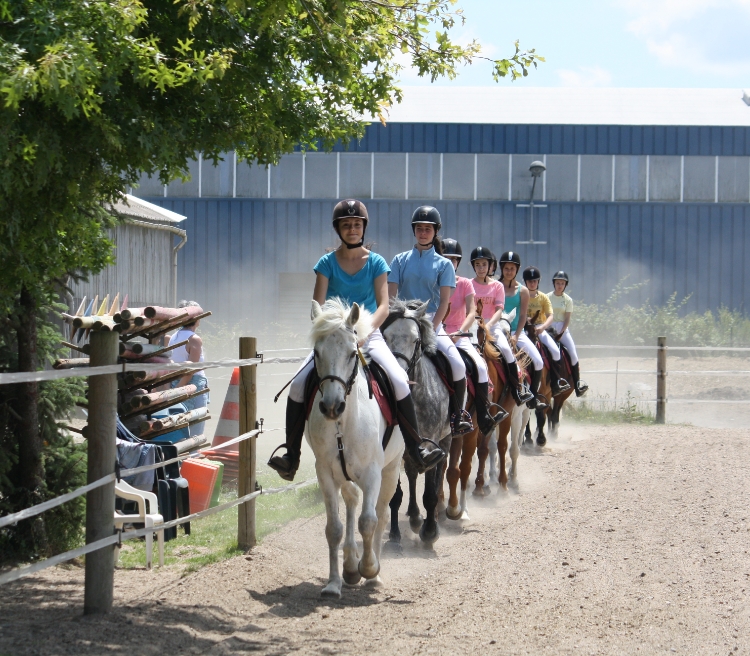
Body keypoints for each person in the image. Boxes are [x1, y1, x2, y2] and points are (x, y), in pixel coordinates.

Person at [268, 199, 446, 482]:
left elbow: (384, 306)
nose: (352, 228)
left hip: (369, 334)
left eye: (357, 224)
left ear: (364, 227)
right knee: (299, 384)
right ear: (338, 229)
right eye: (346, 224)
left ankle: (416, 448)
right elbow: (318, 304)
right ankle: (291, 454)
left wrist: (365, 332)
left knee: (400, 381)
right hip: (335, 338)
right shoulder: (326, 263)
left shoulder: (376, 263)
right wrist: (330, 331)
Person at [387, 206, 473, 436]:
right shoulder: (399, 260)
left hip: (431, 322)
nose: (423, 232)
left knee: (458, 365)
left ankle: (457, 416)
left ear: (435, 232)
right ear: (414, 230)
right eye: (419, 228)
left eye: (428, 229)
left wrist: (432, 330)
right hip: (402, 323)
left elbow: (445, 302)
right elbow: (391, 297)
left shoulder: (444, 264)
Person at [441, 239, 508, 434]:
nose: (450, 262)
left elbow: (471, 312)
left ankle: (483, 415)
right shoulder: (431, 281)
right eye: (446, 258)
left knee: (480, 366)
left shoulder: (464, 284)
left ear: (458, 262)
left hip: (460, 333)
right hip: (437, 332)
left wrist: (459, 331)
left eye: (454, 259)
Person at [470, 247, 532, 406]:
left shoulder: (497, 286)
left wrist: (488, 325)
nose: (481, 268)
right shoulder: (468, 284)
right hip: (473, 325)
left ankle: (516, 390)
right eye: (478, 265)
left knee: (506, 351)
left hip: (492, 325)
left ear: (490, 266)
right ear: (473, 266)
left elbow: (499, 309)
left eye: (484, 264)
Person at [498, 251, 546, 409]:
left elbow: (524, 315)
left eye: (512, 268)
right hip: (497, 330)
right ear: (502, 269)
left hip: (515, 332)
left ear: (516, 270)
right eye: (506, 268)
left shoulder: (523, 291)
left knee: (538, 361)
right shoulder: (495, 286)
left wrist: (517, 336)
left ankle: (532, 396)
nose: (509, 271)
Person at [522, 266, 572, 396]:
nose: (532, 283)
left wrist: (542, 327)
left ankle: (555, 383)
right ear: (525, 282)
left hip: (539, 328)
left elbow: (550, 316)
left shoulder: (544, 297)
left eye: (534, 281)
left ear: (538, 282)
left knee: (556, 351)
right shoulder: (522, 295)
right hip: (523, 329)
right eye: (529, 281)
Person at [169, 301, 209, 437]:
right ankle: (194, 452)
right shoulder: (194, 339)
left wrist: (176, 388)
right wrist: (181, 388)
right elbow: (192, 368)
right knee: (196, 422)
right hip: (193, 382)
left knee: (180, 421)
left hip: (176, 381)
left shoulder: (173, 337)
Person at [549, 270, 589, 397]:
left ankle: (577, 385)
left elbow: (567, 319)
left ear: (565, 285)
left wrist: (561, 332)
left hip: (562, 328)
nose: (559, 285)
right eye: (557, 283)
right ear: (554, 283)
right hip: (548, 327)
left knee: (573, 354)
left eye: (562, 283)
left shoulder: (568, 300)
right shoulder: (547, 297)